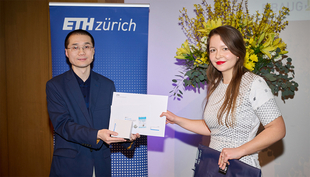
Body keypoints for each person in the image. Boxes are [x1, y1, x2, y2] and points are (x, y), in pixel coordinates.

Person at [161, 25, 286, 171]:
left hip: (239, 168)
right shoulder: (215, 85)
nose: (218, 55)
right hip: (213, 167)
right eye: (213, 50)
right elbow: (214, 127)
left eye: (225, 48)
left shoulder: (253, 83)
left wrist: (239, 150)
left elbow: (278, 129)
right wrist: (177, 120)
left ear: (238, 51)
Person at [46, 29, 140, 177]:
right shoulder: (55, 85)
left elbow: (113, 121)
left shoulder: (107, 84)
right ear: (66, 52)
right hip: (69, 166)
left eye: (86, 46)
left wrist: (127, 135)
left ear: (93, 51)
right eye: (75, 47)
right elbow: (62, 124)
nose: (81, 52)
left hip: (100, 164)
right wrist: (97, 134)